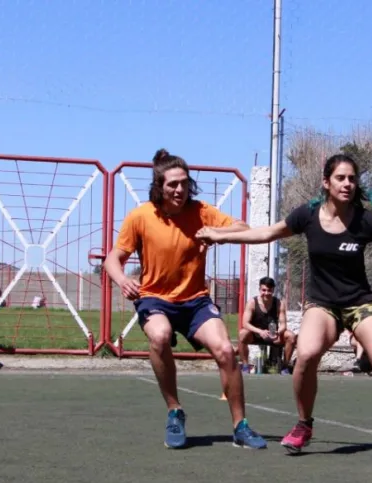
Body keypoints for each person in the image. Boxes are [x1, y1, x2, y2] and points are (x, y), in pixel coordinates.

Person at [197, 153, 372, 462]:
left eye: (352, 178)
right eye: (340, 178)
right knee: (306, 355)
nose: (347, 183)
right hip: (322, 305)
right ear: (326, 182)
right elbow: (267, 232)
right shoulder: (307, 216)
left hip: (359, 304)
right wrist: (221, 235)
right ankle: (304, 424)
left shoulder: (365, 220)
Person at [103, 149, 267, 451]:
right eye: (172, 184)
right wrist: (123, 279)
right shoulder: (140, 217)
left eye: (184, 183)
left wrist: (217, 233)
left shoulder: (201, 211)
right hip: (155, 299)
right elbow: (114, 257)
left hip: (195, 301)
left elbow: (243, 228)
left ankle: (240, 427)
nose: (179, 190)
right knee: (160, 335)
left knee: (225, 350)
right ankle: (174, 411)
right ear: (159, 187)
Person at [238, 276, 295, 374]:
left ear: (273, 290)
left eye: (269, 290)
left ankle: (285, 367)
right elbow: (245, 323)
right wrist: (260, 331)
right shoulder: (252, 303)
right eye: (263, 290)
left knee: (291, 336)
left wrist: (278, 332)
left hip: (274, 335)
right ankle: (245, 366)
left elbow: (283, 324)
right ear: (259, 289)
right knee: (242, 333)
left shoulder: (279, 303)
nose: (266, 293)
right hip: (255, 335)